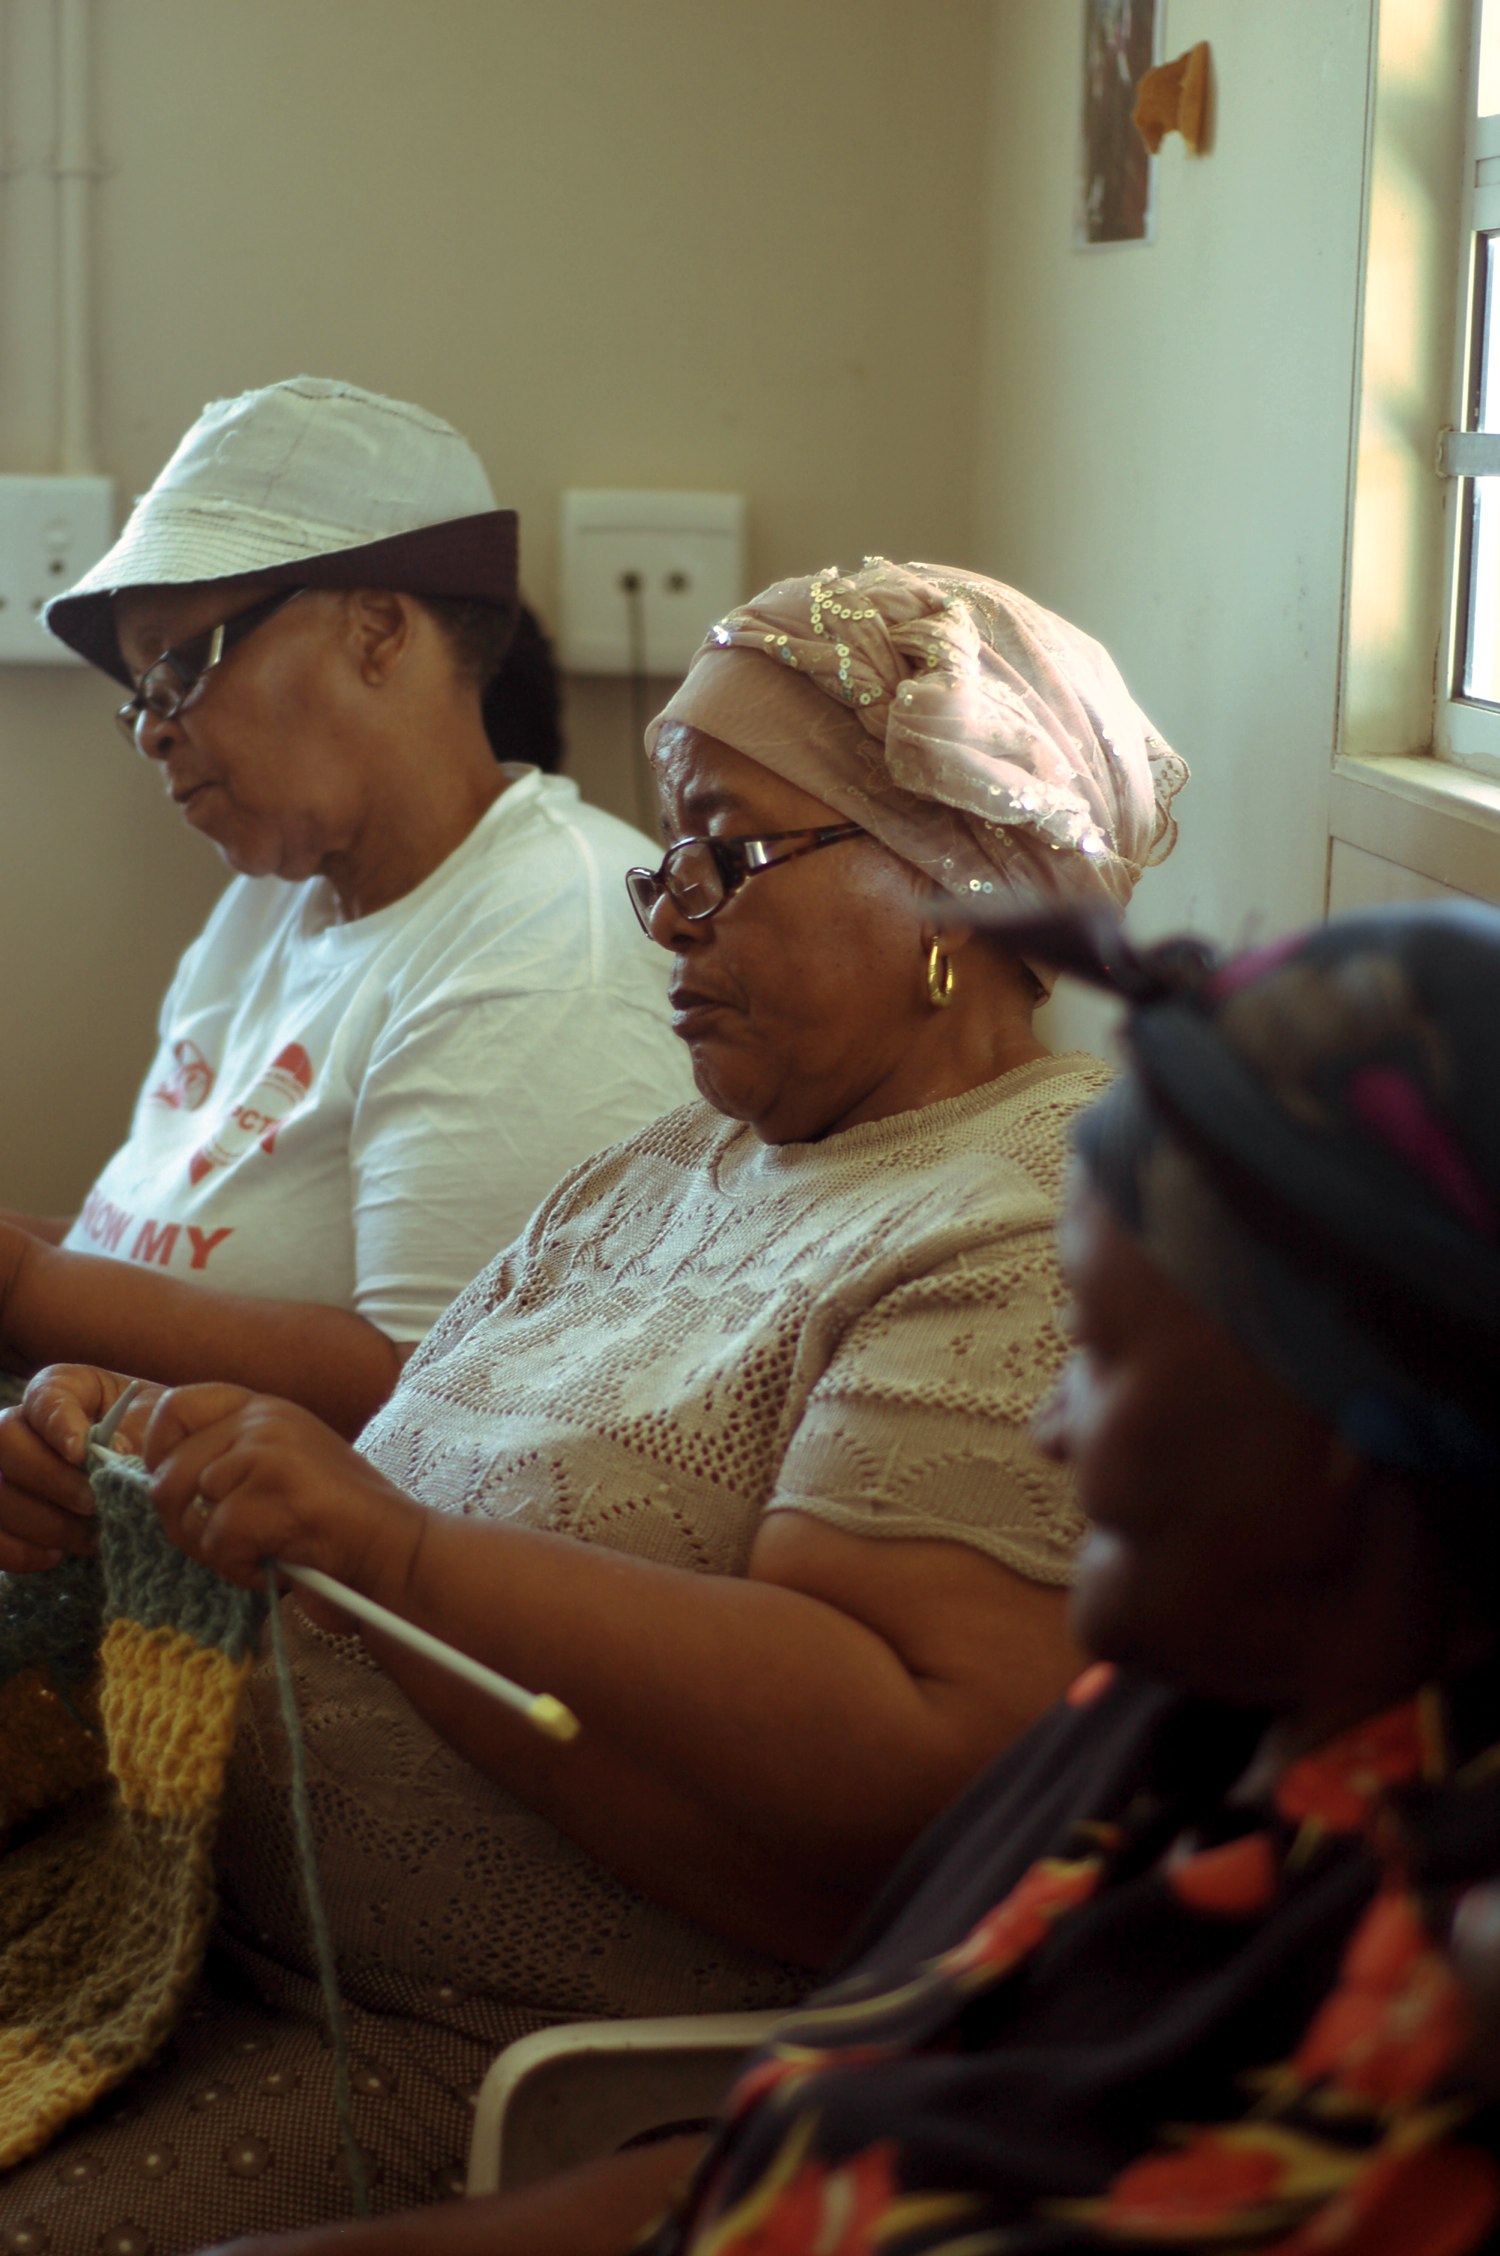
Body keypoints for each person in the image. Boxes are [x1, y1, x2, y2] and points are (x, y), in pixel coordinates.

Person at [0, 560, 1186, 2250]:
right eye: (665, 854)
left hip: (452, 2048)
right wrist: (153, 1443)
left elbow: (906, 1765)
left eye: (729, 850)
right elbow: (450, 1441)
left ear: (964, 889)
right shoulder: (681, 1164)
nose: (671, 908)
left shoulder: (1027, 1220)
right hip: (194, 1911)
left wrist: (389, 1555)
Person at [216, 895, 1500, 2256]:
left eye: (1105, 1359)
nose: (1049, 1426)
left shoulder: (1408, 2021)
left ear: (1340, 1443)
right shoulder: (1165, 1726)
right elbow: (813, 2133)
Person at [0, 376, 691, 1436]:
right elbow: (148, 1254)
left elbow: (442, 1400)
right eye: (140, 695)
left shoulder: (552, 935)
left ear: (377, 631)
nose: (151, 730)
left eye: (179, 668)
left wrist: (20, 1292)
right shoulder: (272, 907)